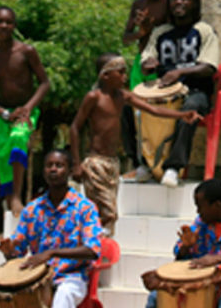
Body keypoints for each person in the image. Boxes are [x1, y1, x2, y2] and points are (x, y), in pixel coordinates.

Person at [70, 53, 201, 235]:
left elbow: (153, 109)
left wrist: (181, 115)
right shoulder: (94, 97)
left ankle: (97, 250)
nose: (125, 77)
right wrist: (76, 164)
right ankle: (94, 248)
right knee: (107, 214)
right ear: (105, 75)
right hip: (96, 163)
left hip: (112, 164)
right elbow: (75, 128)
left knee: (104, 215)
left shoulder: (123, 96)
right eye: (121, 73)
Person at [0, 150, 103, 308]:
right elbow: (17, 252)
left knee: (63, 298)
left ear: (69, 171)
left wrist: (52, 253)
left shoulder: (85, 208)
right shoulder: (32, 209)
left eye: (59, 165)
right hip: (35, 277)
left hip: (71, 277)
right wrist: (9, 250)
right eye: (49, 165)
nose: (53, 169)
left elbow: (92, 250)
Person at [139, 0, 220, 187]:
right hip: (163, 90)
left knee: (189, 111)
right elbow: (146, 60)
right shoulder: (161, 32)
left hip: (195, 90)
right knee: (130, 107)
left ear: (194, 4)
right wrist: (148, 64)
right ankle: (144, 163)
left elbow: (209, 67)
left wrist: (179, 72)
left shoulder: (203, 30)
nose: (180, 2)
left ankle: (173, 168)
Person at [141, 179, 221, 308]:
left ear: (217, 205)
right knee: (155, 297)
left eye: (200, 206)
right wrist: (186, 247)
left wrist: (220, 259)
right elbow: (181, 259)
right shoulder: (201, 223)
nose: (197, 212)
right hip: (202, 285)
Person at [0, 6, 51, 215]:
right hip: (3, 114)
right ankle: (8, 196)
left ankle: (17, 197)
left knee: (18, 141)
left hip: (26, 111)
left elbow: (44, 83)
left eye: (8, 22)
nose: (4, 26)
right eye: (0, 22)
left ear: (14, 26)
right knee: (3, 156)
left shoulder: (26, 52)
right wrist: (2, 112)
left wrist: (27, 109)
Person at [121, 0, 168, 180]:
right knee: (134, 113)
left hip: (158, 65)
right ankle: (138, 162)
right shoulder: (138, 5)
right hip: (140, 65)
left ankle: (156, 163)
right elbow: (126, 38)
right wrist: (142, 32)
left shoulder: (167, 5)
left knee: (155, 117)